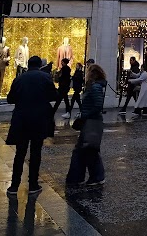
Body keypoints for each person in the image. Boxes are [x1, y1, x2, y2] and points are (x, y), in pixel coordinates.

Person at [6, 55, 57, 195]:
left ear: (28, 64)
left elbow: (10, 99)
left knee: (20, 153)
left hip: (22, 119)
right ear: (40, 65)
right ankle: (33, 184)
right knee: (36, 152)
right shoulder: (45, 77)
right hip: (39, 119)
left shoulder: (19, 78)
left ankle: (14, 185)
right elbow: (54, 96)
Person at [66, 64, 108, 186]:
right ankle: (77, 177)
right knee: (84, 149)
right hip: (90, 120)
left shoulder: (95, 87)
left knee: (88, 149)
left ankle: (93, 176)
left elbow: (97, 105)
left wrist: (84, 115)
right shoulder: (93, 86)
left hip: (92, 121)